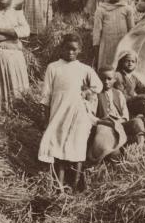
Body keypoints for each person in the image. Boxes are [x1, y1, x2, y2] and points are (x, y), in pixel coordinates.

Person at [38, 34, 102, 192]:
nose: (70, 52)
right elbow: (46, 95)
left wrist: (87, 92)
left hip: (78, 114)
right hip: (59, 112)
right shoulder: (53, 67)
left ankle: (75, 185)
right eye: (67, 48)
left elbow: (98, 86)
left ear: (79, 50)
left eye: (74, 49)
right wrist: (46, 119)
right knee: (58, 148)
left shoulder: (84, 69)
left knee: (77, 147)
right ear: (62, 48)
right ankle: (58, 186)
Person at [91, 0, 136, 72]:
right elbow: (97, 31)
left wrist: (131, 45)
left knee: (122, 68)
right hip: (107, 44)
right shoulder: (101, 9)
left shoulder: (127, 9)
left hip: (122, 43)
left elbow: (131, 29)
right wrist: (96, 48)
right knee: (107, 70)